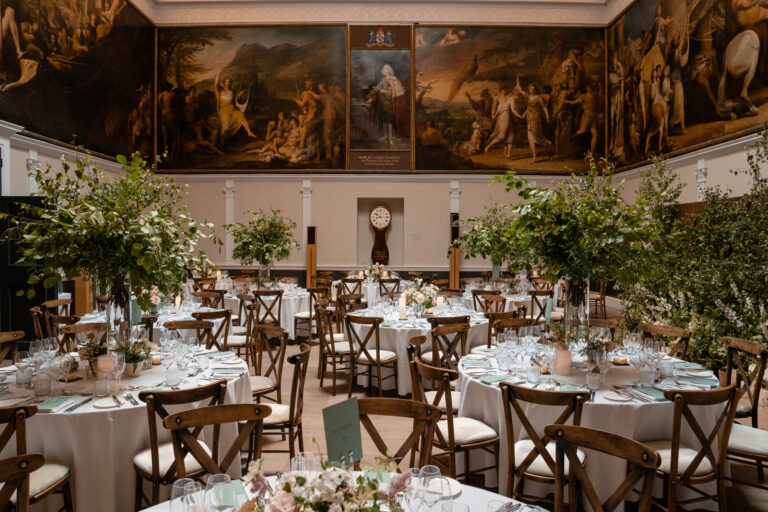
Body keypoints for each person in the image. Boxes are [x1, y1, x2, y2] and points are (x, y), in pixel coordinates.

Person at [514, 79, 553, 163]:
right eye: (530, 89)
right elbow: (520, 90)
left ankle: (547, 142)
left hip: (536, 118)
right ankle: (534, 157)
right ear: (529, 89)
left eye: (533, 89)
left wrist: (547, 116)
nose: (532, 90)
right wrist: (517, 80)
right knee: (530, 136)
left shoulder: (539, 98)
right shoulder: (528, 96)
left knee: (537, 134)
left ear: (535, 89)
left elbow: (544, 108)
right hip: (529, 118)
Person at [216, 70, 257, 147]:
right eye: (226, 82)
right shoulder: (220, 90)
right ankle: (222, 143)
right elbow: (216, 83)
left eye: (229, 82)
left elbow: (236, 100)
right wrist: (219, 73)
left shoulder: (233, 91)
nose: (228, 83)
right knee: (225, 127)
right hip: (224, 111)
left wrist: (240, 94)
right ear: (224, 83)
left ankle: (249, 132)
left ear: (231, 83)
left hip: (233, 110)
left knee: (240, 116)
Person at [374, 64, 406, 146]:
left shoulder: (394, 80)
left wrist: (382, 91)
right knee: (384, 119)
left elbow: (390, 93)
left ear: (388, 70)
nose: (383, 71)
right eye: (383, 70)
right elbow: (377, 88)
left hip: (390, 103)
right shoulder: (382, 79)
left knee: (389, 121)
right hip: (382, 103)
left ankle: (390, 137)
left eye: (385, 70)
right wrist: (376, 89)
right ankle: (385, 135)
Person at [483, 88, 516, 158]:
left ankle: (508, 154)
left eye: (506, 90)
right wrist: (493, 115)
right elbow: (493, 107)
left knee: (510, 135)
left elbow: (514, 91)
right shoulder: (497, 97)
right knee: (502, 135)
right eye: (504, 90)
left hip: (510, 117)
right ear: (501, 91)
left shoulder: (508, 97)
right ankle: (488, 147)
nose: (505, 92)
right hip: (503, 117)